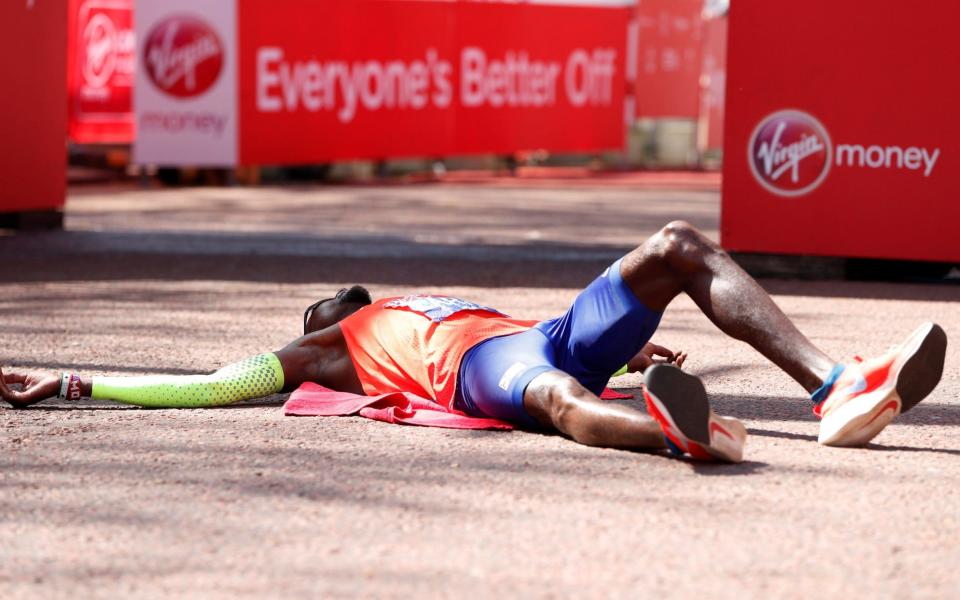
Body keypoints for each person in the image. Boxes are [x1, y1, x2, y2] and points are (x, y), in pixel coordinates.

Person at [0, 222, 947, 463]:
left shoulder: (411, 298)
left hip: (537, 334)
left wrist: (624, 353)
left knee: (677, 250)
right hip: (486, 371)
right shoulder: (330, 349)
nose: (330, 301)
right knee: (549, 397)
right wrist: (75, 382)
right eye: (321, 306)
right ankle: (679, 435)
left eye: (334, 298)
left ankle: (835, 389)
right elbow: (211, 385)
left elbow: (542, 339)